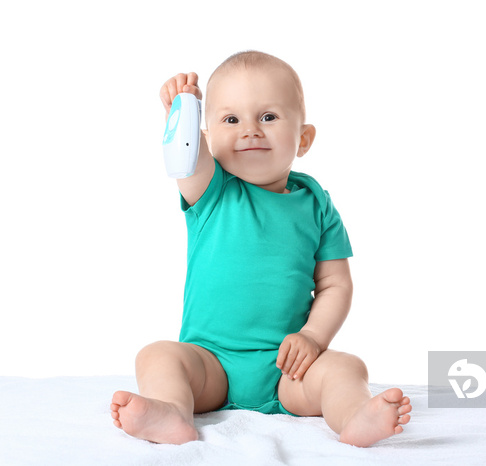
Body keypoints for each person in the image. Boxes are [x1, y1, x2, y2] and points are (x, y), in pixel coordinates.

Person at [110, 51, 411, 448]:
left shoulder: (317, 203)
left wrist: (313, 338)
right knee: (157, 355)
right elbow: (187, 160)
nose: (250, 130)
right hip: (209, 364)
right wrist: (180, 110)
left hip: (290, 369)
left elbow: (336, 285)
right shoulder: (211, 191)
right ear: (207, 139)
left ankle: (354, 414)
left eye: (268, 117)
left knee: (346, 367)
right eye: (231, 120)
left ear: (303, 138)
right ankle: (170, 409)